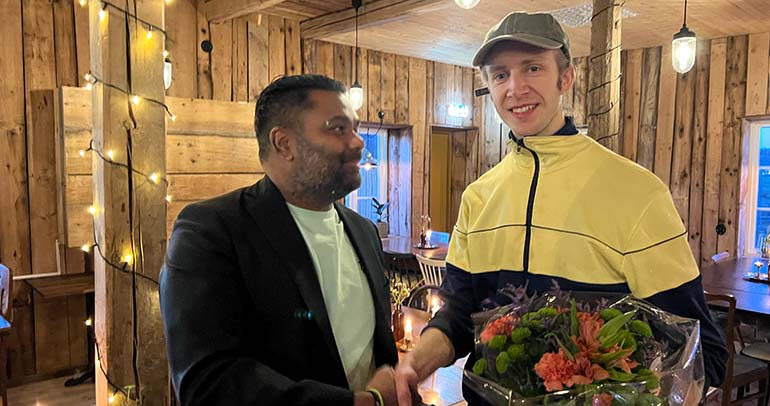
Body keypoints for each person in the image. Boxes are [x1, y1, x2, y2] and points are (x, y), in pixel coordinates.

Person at [394, 12, 727, 405]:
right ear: (487, 85)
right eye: (500, 74)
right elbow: (458, 317)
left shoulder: (638, 193)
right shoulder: (478, 198)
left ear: (565, 78)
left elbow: (702, 352)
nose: (515, 88)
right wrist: (414, 364)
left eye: (532, 68)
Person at [160, 74, 398, 406]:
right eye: (338, 129)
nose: (358, 142)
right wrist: (361, 403)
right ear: (284, 144)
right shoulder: (211, 232)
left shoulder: (364, 231)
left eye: (355, 128)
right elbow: (209, 382)